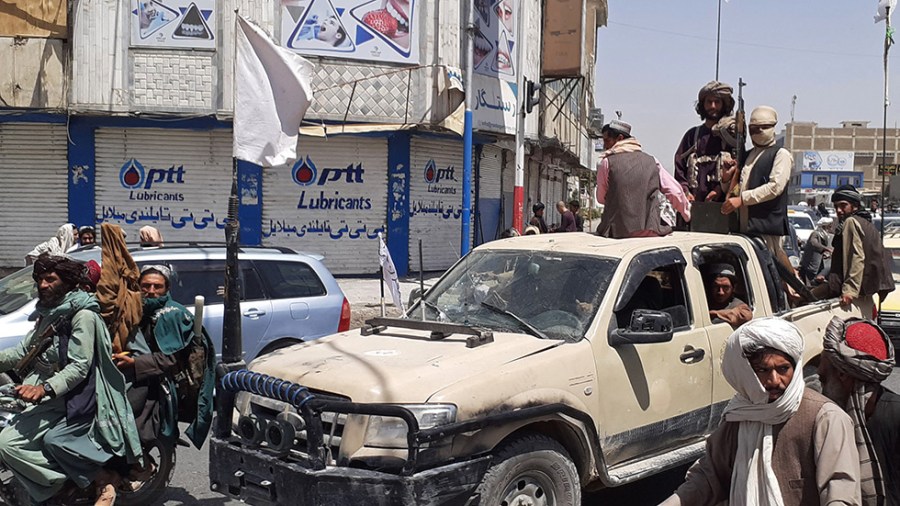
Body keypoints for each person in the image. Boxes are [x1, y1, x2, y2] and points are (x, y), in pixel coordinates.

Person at [660, 318, 861, 506]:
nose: (774, 380)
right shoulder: (739, 416)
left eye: (783, 369)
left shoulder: (825, 418)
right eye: (763, 371)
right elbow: (709, 476)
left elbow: (840, 489)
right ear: (746, 373)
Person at [0, 254, 141, 505]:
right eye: (40, 279)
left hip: (68, 396)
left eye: (50, 279)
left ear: (68, 282)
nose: (43, 285)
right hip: (40, 389)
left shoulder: (83, 315)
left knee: (7, 444)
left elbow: (79, 366)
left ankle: (69, 483)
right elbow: (23, 351)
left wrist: (44, 389)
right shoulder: (51, 312)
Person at [113, 265, 214, 452]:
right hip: (141, 373)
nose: (151, 291)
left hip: (161, 381)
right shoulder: (139, 309)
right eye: (146, 286)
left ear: (167, 289)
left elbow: (169, 359)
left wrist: (135, 363)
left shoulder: (172, 315)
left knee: (125, 418)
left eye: (157, 287)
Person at [819, 317, 895, 506]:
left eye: (823, 379)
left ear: (843, 375)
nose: (821, 390)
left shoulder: (894, 416)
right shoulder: (831, 421)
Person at [722, 106, 793, 272]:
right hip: (744, 229)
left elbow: (775, 187)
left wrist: (742, 199)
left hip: (765, 229)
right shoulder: (747, 155)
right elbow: (734, 189)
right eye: (753, 129)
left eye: (763, 127)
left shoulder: (780, 154)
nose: (758, 132)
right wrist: (727, 177)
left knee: (771, 275)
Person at [596, 120, 689, 238]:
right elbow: (674, 192)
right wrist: (687, 215)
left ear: (619, 138)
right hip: (650, 232)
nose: (605, 146)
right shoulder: (652, 161)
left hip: (616, 233)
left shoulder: (606, 163)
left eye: (607, 141)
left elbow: (600, 199)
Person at [811, 185, 894, 315]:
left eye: (843, 205)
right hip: (865, 298)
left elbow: (856, 257)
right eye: (836, 206)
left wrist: (849, 290)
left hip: (850, 299)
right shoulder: (866, 223)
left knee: (802, 300)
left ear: (854, 205)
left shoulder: (851, 222)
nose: (838, 210)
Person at [674, 81, 736, 204]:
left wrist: (720, 189)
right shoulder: (692, 136)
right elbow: (679, 166)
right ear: (702, 105)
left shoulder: (731, 137)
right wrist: (686, 192)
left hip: (722, 206)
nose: (713, 106)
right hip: (693, 205)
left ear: (723, 105)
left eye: (717, 102)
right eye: (709, 102)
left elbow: (738, 168)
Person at [703, 263, 752, 327]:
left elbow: (746, 316)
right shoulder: (704, 303)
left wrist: (714, 313)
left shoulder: (737, 304)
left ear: (733, 288)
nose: (721, 292)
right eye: (716, 287)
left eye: (726, 287)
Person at [800, 217, 834, 283]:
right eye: (829, 226)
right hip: (811, 264)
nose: (830, 228)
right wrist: (826, 249)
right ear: (825, 226)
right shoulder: (815, 233)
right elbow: (814, 243)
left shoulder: (826, 235)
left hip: (819, 264)